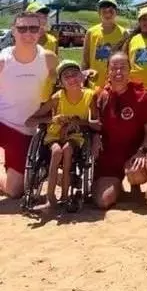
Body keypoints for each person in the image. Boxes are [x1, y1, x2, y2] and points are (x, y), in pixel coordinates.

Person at [26, 60, 99, 209]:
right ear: (61, 82)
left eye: (75, 74)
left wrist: (78, 122)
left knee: (66, 150)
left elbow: (95, 124)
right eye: (66, 76)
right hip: (54, 135)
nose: (72, 79)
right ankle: (50, 197)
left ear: (82, 77)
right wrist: (51, 119)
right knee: (57, 151)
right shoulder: (57, 97)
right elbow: (30, 121)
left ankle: (65, 196)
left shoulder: (90, 96)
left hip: (75, 136)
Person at [0, 11, 58, 198]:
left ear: (40, 31)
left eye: (33, 28)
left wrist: (42, 115)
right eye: (22, 28)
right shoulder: (3, 61)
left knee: (14, 191)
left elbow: (59, 90)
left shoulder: (49, 59)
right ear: (13, 32)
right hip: (2, 122)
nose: (28, 33)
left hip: (25, 130)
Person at [93, 52, 147, 209]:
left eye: (123, 68)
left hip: (133, 153)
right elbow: (95, 124)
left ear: (130, 70)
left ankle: (134, 186)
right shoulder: (101, 96)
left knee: (135, 172)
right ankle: (116, 188)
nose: (118, 72)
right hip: (109, 156)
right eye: (114, 68)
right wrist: (95, 135)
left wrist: (142, 151)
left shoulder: (142, 97)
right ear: (108, 71)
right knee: (104, 201)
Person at [82, 0, 126, 88]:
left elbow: (126, 61)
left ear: (116, 12)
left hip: (115, 84)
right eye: (104, 11)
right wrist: (83, 80)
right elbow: (85, 60)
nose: (108, 14)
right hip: (94, 83)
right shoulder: (91, 32)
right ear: (99, 13)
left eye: (111, 11)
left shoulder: (124, 33)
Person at [27, 2, 59, 103]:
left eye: (44, 17)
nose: (42, 21)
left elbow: (55, 69)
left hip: (46, 98)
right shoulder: (19, 40)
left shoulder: (53, 41)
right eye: (37, 17)